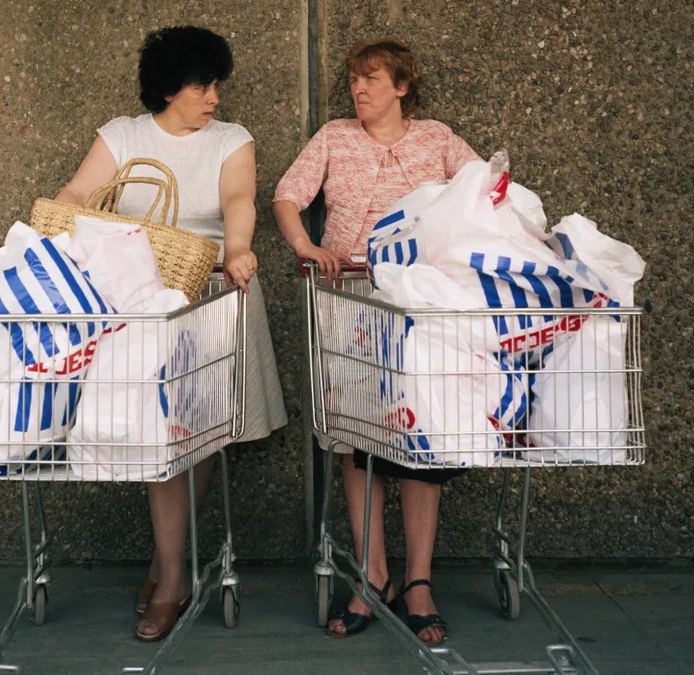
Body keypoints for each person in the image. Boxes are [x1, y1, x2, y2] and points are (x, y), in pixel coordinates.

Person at [55, 25, 287, 642]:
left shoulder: (231, 139)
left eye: (217, 84)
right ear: (167, 87)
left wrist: (237, 248)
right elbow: (78, 192)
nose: (214, 96)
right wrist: (57, 225)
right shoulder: (123, 135)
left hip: (212, 292)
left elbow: (239, 197)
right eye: (202, 84)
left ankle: (169, 568)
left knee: (198, 436)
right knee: (158, 438)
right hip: (139, 303)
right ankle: (173, 570)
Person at [273, 38, 480, 646]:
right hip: (350, 300)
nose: (359, 90)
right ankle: (372, 575)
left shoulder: (438, 138)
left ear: (401, 85)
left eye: (370, 79)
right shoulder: (335, 137)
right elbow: (288, 195)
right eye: (353, 80)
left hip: (422, 305)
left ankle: (418, 582)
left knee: (423, 436)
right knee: (357, 438)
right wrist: (307, 247)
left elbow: (486, 192)